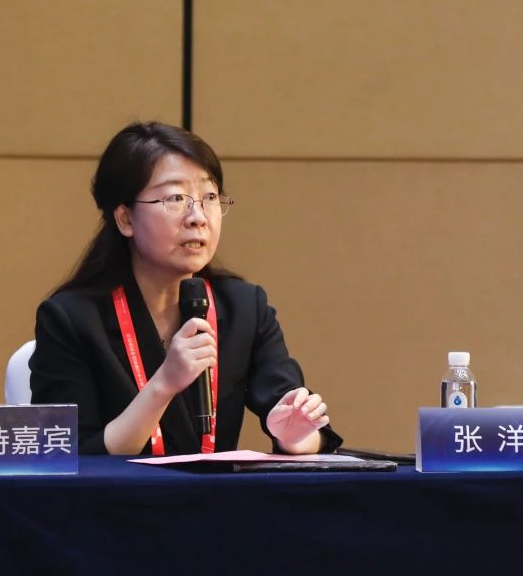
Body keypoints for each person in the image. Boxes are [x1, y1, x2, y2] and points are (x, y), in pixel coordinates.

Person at [29, 121, 342, 456]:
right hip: (117, 490)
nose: (198, 217)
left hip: (215, 491)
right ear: (125, 219)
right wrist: (164, 384)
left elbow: (296, 418)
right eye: (176, 198)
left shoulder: (244, 308)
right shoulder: (71, 318)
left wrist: (295, 436)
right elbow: (67, 453)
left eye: (209, 197)